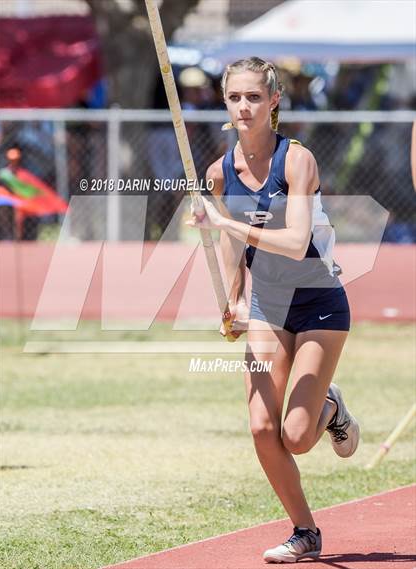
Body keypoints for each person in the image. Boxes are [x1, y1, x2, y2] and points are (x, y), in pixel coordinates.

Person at [188, 57, 360, 564]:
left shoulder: (297, 161)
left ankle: (328, 406)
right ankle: (305, 530)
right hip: (267, 304)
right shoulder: (219, 172)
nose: (245, 107)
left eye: (254, 97)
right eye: (236, 97)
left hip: (319, 304)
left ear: (274, 101)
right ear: (226, 102)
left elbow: (293, 241)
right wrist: (231, 299)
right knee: (263, 427)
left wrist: (227, 224)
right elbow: (228, 251)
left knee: (297, 436)